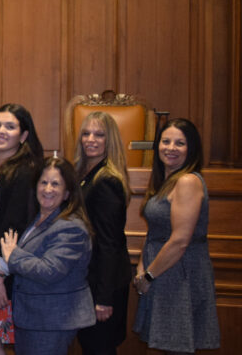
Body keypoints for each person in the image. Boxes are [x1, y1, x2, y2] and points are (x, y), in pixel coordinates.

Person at [133, 118, 220, 353]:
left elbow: (180, 241)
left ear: (191, 149)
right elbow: (155, 232)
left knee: (178, 345)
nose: (170, 148)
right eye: (166, 141)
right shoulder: (165, 181)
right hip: (163, 272)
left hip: (180, 274)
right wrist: (142, 267)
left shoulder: (187, 181)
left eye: (180, 143)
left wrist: (148, 276)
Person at [0, 157, 95, 355]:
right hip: (32, 317)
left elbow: (49, 270)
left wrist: (13, 255)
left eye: (55, 184)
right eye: (43, 182)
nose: (47, 189)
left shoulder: (71, 227)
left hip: (51, 320)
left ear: (67, 193)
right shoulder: (38, 219)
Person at [0, 103, 44, 354]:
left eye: (10, 126)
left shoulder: (24, 171)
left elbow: (13, 227)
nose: (1, 131)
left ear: (24, 135)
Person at [73, 112, 133, 354]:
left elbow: (110, 243)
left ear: (111, 141)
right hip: (90, 280)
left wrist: (104, 298)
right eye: (86, 134)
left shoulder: (107, 180)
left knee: (100, 347)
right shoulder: (87, 174)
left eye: (99, 135)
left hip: (102, 285)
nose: (91, 139)